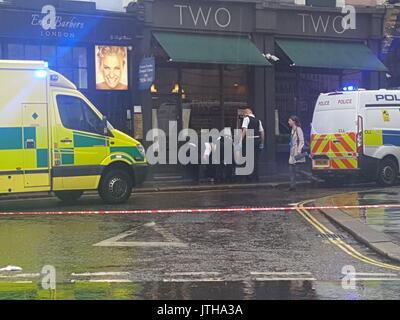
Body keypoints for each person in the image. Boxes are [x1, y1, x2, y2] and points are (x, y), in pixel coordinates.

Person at [240, 108, 265, 182]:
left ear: (246, 113)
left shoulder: (246, 119)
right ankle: (256, 177)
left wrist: (240, 141)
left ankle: (249, 177)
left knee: (248, 159)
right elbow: (262, 132)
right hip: (257, 140)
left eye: (244, 114)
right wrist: (262, 142)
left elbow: (245, 130)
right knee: (255, 159)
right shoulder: (258, 120)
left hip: (249, 140)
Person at [288, 115, 305, 191]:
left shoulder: (298, 129)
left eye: (289, 121)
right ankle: (292, 186)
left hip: (296, 152)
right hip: (292, 151)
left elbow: (301, 141)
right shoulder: (292, 129)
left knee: (298, 170)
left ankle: (311, 178)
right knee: (291, 169)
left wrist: (299, 151)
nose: (288, 122)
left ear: (294, 121)